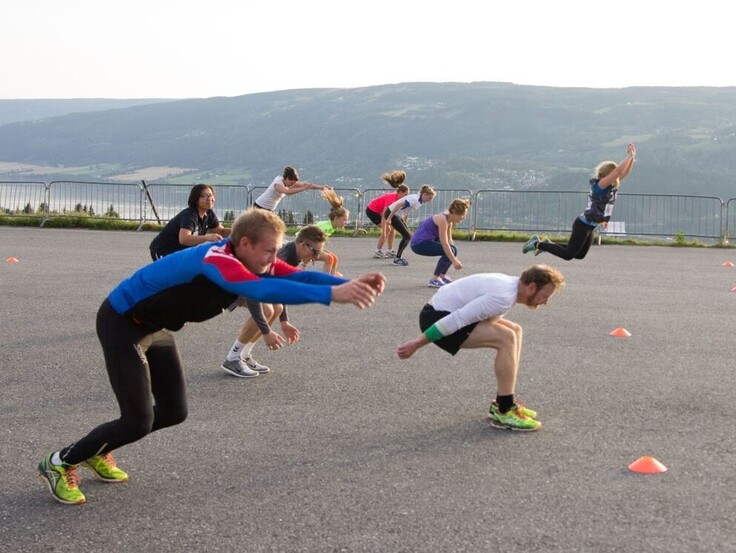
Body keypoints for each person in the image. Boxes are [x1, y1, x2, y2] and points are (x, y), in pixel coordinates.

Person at [38, 208, 386, 505]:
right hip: (122, 322)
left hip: (154, 327)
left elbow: (297, 274)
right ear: (245, 243)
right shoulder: (216, 259)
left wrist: (351, 282)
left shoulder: (253, 258)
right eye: (268, 251)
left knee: (174, 411)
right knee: (136, 419)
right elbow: (260, 289)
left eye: (276, 251)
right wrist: (332, 296)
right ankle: (60, 461)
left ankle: (96, 450)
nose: (272, 259)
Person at [396, 264, 565, 431]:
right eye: (545, 296)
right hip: (436, 318)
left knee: (515, 330)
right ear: (532, 287)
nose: (545, 302)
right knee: (507, 338)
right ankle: (505, 409)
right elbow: (457, 319)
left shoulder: (511, 287)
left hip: (443, 310)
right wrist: (418, 343)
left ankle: (503, 402)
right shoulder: (503, 296)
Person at [221, 225, 330, 377]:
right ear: (303, 245)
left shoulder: (292, 254)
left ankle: (243, 355)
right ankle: (232, 358)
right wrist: (266, 331)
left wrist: (284, 321)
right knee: (267, 310)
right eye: (316, 252)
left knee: (277, 307)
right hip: (229, 278)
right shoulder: (280, 258)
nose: (317, 257)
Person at [524, 143, 637, 260]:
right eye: (612, 174)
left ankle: (547, 245)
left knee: (579, 254)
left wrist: (632, 157)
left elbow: (623, 173)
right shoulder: (600, 185)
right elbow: (618, 171)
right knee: (568, 255)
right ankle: (536, 243)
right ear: (605, 174)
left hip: (591, 225)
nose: (615, 177)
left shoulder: (612, 186)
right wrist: (629, 156)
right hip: (583, 225)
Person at [149, 184, 230, 260]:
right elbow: (184, 239)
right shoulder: (190, 215)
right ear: (196, 200)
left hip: (181, 252)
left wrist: (240, 231)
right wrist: (207, 237)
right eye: (204, 196)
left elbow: (221, 231)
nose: (209, 199)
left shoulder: (209, 214)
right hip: (163, 250)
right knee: (173, 274)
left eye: (211, 195)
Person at [410, 198, 470, 288]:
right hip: (419, 244)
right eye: (462, 215)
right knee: (449, 251)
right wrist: (454, 261)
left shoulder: (449, 220)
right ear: (455, 214)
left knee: (454, 249)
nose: (464, 218)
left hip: (427, 241)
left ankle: (442, 276)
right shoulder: (443, 220)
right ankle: (435, 279)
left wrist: (454, 256)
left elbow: (450, 241)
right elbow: (444, 243)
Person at [385, 184, 436, 266]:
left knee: (408, 236)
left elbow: (406, 210)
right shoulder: (414, 199)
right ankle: (397, 259)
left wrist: (403, 221)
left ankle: (398, 257)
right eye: (429, 198)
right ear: (425, 194)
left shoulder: (419, 201)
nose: (429, 200)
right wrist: (389, 218)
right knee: (407, 236)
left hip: (397, 215)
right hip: (392, 214)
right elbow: (398, 205)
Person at [364, 170, 408, 258]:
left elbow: (405, 212)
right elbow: (385, 214)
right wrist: (384, 229)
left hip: (380, 212)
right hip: (372, 211)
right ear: (399, 193)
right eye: (405, 194)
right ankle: (378, 251)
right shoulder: (392, 198)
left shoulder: (400, 199)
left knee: (392, 229)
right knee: (387, 230)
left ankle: (390, 251)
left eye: (407, 194)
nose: (406, 196)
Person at [310, 187, 350, 275]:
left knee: (334, 258)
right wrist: (314, 253)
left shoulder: (331, 226)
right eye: (344, 220)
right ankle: (326, 279)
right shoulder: (325, 228)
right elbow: (309, 238)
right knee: (329, 259)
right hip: (305, 246)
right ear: (336, 218)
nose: (346, 222)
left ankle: (332, 276)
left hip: (311, 246)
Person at [253, 165, 328, 211]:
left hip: (269, 209)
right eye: (292, 183)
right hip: (260, 207)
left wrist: (322, 187)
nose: (292, 185)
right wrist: (304, 188)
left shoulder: (288, 183)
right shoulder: (278, 183)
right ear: (287, 178)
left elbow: (305, 184)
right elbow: (287, 192)